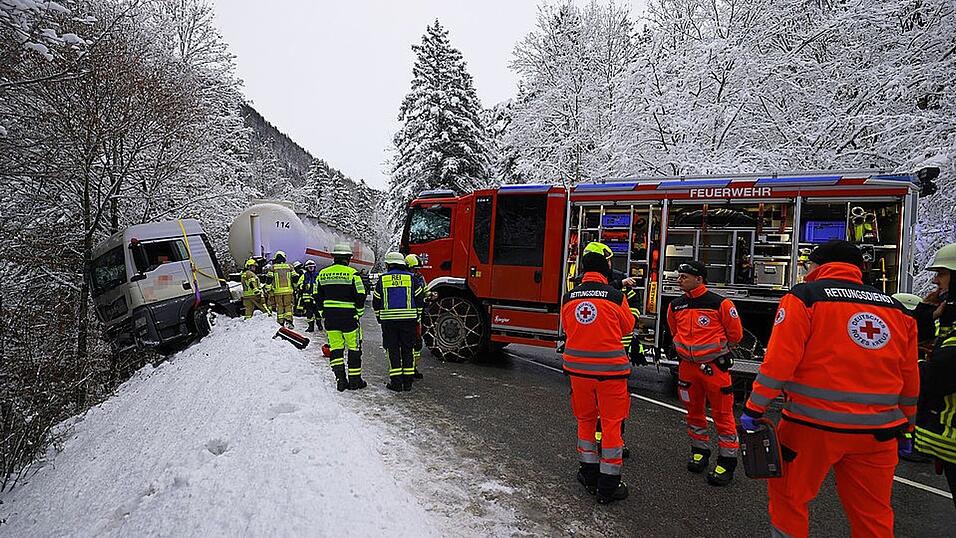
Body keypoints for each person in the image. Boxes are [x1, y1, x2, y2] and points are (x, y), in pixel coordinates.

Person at [741, 240, 919, 537]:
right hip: (879, 433)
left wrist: (754, 407)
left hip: (811, 428)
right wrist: (908, 426)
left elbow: (780, 363)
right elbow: (910, 376)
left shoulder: (805, 297)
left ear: (818, 265)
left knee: (790, 500)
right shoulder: (896, 308)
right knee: (873, 514)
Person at [562, 241, 634, 504]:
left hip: (577, 373)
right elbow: (627, 327)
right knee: (612, 425)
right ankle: (608, 485)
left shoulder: (569, 297)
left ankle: (588, 474)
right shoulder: (616, 296)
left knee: (585, 421)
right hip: (611, 375)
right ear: (606, 269)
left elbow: (568, 328)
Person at [666, 260, 743, 486]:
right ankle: (699, 451)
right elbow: (674, 331)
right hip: (688, 369)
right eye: (679, 276)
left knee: (722, 415)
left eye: (684, 277)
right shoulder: (676, 305)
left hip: (714, 369)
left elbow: (735, 335)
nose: (680, 280)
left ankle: (727, 462)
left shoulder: (719, 304)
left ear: (699, 279)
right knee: (693, 412)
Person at [915, 243, 956, 510]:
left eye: (941, 273)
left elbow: (935, 377)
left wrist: (911, 367)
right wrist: (925, 313)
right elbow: (928, 341)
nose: (934, 279)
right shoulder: (948, 317)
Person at [315, 243, 367, 391]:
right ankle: (355, 381)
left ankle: (340, 380)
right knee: (354, 348)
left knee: (336, 349)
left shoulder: (323, 274)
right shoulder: (353, 274)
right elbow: (360, 295)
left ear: (334, 257)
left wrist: (322, 312)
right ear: (348, 258)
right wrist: (359, 312)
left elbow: (317, 295)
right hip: (349, 318)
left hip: (331, 318)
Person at [373, 252, 425, 392]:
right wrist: (417, 316)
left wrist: (379, 317)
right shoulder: (412, 278)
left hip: (389, 322)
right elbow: (420, 299)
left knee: (393, 351)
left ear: (388, 264)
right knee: (408, 349)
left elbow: (376, 301)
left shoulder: (383, 279)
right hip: (409, 321)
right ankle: (407, 383)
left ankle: (396, 383)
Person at [405, 253, 427, 379]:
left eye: (418, 269)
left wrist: (429, 295)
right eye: (414, 269)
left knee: (417, 344)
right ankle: (407, 369)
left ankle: (413, 368)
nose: (417, 272)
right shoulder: (407, 279)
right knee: (408, 343)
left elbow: (425, 290)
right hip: (409, 316)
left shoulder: (420, 278)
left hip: (418, 315)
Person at [269, 251, 295, 328]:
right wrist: (296, 287)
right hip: (288, 291)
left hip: (277, 292)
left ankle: (280, 322)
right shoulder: (289, 267)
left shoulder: (273, 268)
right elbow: (295, 278)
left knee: (279, 306)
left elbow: (269, 279)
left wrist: (268, 289)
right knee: (288, 306)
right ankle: (289, 321)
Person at [298, 260, 321, 332]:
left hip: (316, 297)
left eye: (312, 267)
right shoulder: (304, 276)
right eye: (309, 267)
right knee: (309, 313)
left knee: (317, 312)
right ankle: (311, 327)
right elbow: (299, 285)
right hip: (307, 297)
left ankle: (319, 324)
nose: (311, 268)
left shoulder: (318, 275)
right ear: (306, 268)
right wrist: (303, 286)